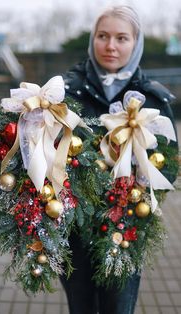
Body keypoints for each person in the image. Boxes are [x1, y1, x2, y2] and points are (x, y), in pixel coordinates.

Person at [60, 5, 178, 314]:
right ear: (92, 39)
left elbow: (169, 165)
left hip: (125, 227)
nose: (111, 46)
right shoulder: (64, 93)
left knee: (119, 306)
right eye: (103, 36)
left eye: (122, 38)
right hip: (73, 227)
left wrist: (132, 199)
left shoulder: (150, 98)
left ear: (135, 43)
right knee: (80, 304)